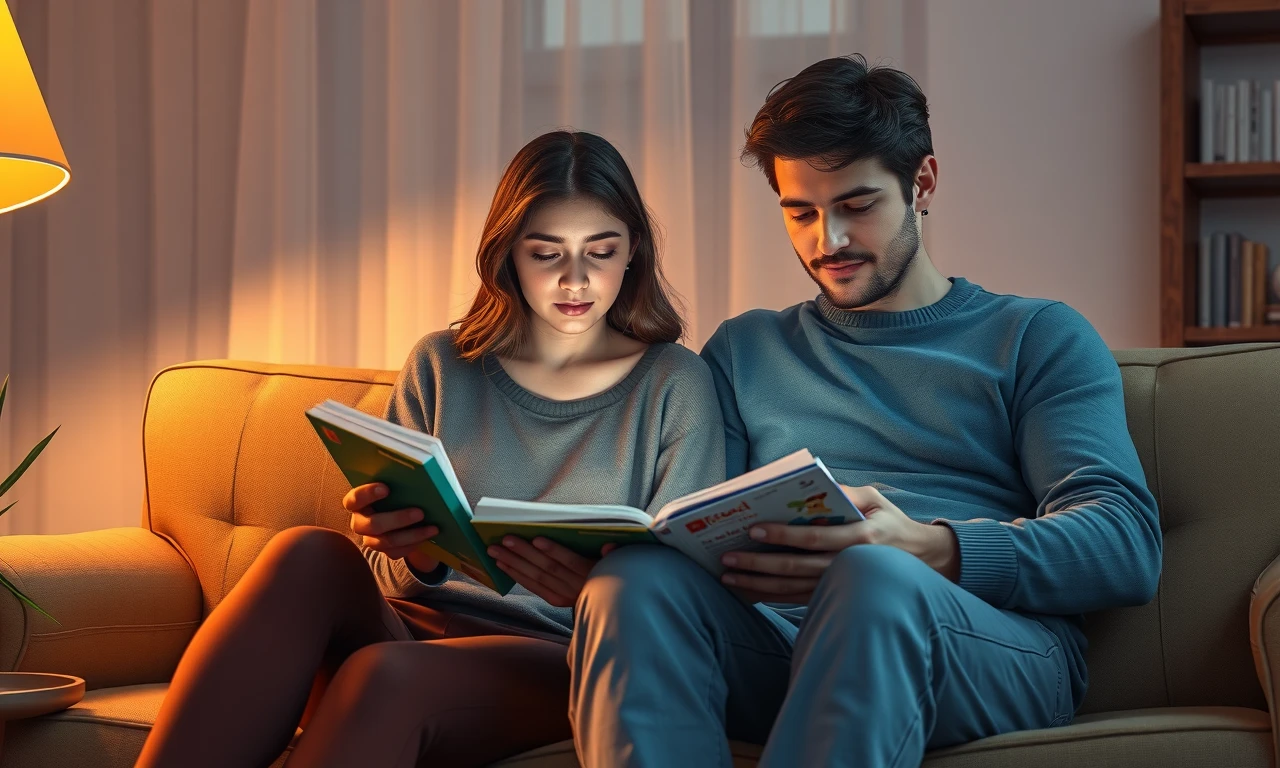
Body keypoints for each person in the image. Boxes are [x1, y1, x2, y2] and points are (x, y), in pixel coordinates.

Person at [568, 54, 1163, 768]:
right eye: (801, 213)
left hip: (985, 644)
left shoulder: (1035, 336)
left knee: (872, 579)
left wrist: (929, 547)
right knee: (633, 585)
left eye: (856, 205)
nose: (829, 241)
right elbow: (700, 535)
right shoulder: (744, 349)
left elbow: (1124, 543)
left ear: (923, 184)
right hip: (782, 645)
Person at [136, 130, 725, 768]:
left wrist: (589, 587)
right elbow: (384, 576)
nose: (575, 280)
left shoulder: (674, 383)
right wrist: (408, 550)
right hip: (415, 623)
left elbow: (683, 598)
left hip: (564, 654)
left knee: (384, 676)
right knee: (305, 552)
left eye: (600, 252)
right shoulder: (443, 364)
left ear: (633, 251)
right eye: (546, 254)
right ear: (509, 256)